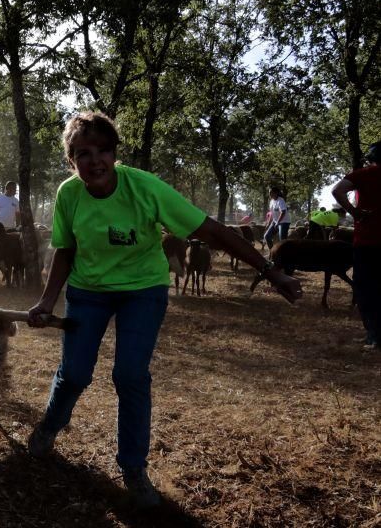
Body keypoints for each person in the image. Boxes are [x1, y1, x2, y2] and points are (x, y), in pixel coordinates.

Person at [25, 112, 301, 508]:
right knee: (75, 374)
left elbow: (211, 230)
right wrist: (46, 300)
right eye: (83, 153)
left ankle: (133, 468)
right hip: (88, 291)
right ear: (72, 161)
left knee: (130, 375)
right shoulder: (69, 194)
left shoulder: (145, 188)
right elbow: (65, 250)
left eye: (104, 150)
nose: (95, 160)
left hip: (143, 290)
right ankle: (49, 427)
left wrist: (271, 271)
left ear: (115, 154)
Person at [332, 141, 381, 350]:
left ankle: (373, 334)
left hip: (368, 241)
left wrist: (354, 212)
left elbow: (337, 191)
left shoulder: (364, 174)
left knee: (365, 287)